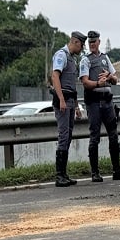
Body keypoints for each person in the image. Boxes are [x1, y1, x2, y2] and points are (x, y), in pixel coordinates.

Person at [79, 30, 120, 182]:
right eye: (90, 42)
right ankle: (95, 172)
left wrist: (109, 76)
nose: (92, 44)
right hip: (94, 102)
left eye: (94, 42)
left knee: (113, 135)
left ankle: (117, 170)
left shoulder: (105, 58)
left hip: (107, 102)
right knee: (95, 137)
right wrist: (98, 83)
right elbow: (85, 82)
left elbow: (115, 80)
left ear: (99, 42)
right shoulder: (85, 60)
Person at [51, 31, 86, 187]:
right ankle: (59, 176)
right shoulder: (62, 55)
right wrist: (61, 99)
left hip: (71, 101)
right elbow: (55, 76)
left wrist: (77, 106)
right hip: (63, 101)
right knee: (64, 136)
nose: (82, 48)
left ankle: (64, 174)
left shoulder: (72, 59)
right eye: (82, 44)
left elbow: (72, 85)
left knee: (68, 136)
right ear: (75, 42)